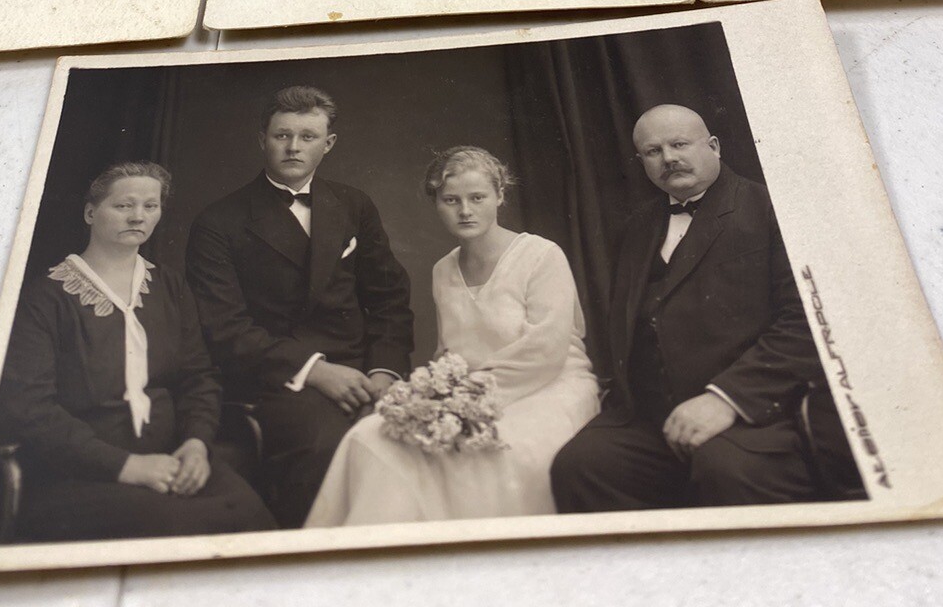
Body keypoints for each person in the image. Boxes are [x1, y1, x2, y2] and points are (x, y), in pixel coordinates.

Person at [551, 105, 827, 512]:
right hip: (653, 418)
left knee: (724, 468)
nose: (668, 158)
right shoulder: (638, 226)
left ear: (713, 146)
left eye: (679, 144)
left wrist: (725, 399)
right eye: (653, 151)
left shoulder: (771, 208)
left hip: (754, 413)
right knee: (581, 465)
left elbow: (807, 321)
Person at [306, 147, 600, 527]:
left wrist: (466, 398)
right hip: (466, 393)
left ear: (500, 196)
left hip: (548, 387)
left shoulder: (541, 255)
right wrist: (428, 397)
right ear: (437, 204)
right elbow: (449, 353)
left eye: (477, 198)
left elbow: (546, 348)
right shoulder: (443, 270)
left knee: (490, 450)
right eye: (451, 200)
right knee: (373, 435)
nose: (465, 210)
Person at [0, 161, 273, 541]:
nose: (138, 216)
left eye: (150, 206)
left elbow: (198, 377)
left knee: (250, 513)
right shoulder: (46, 297)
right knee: (180, 528)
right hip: (80, 475)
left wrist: (196, 442)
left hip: (171, 459)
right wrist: (128, 466)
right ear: (91, 212)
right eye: (124, 206)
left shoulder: (169, 286)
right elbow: (29, 408)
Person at [185, 86, 413, 528]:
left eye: (307, 137)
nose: (293, 147)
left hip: (363, 371)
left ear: (328, 144)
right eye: (282, 135)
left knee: (417, 437)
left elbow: (388, 299)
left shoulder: (353, 205)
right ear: (262, 139)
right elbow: (225, 328)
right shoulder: (219, 223)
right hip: (278, 379)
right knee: (327, 445)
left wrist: (384, 372)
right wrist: (316, 371)